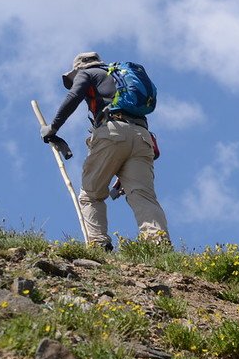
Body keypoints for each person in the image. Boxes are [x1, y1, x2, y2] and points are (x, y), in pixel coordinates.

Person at [40, 52, 171, 251]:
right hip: (143, 137)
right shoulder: (120, 77)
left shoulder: (88, 73)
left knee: (90, 194)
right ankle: (158, 246)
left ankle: (98, 245)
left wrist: (53, 128)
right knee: (143, 196)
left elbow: (74, 96)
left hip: (112, 132)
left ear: (79, 68)